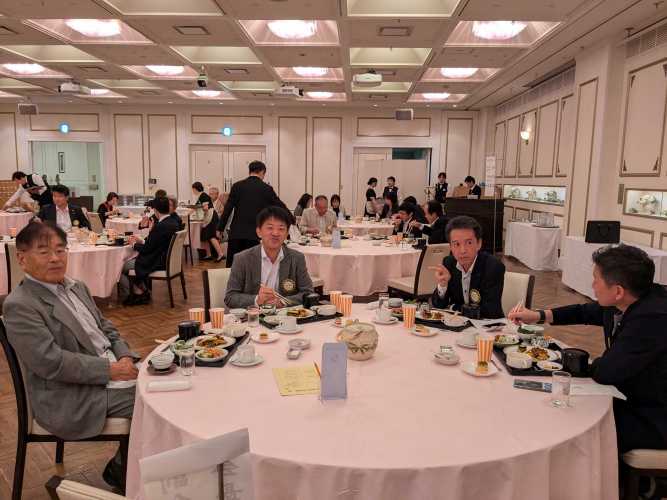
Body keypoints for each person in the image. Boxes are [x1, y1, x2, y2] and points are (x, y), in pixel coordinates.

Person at [3, 221, 139, 490]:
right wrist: (110, 370)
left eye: (60, 250)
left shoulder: (77, 287)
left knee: (172, 377)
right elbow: (50, 362)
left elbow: (107, 329)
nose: (55, 258)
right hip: (68, 393)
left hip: (109, 370)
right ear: (22, 259)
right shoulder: (20, 304)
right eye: (44, 251)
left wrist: (124, 356)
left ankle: (127, 468)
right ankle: (126, 474)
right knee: (150, 402)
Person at [508, 244, 667, 455]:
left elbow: (607, 371)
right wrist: (538, 316)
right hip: (632, 393)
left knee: (571, 425)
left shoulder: (651, 319)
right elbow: (584, 312)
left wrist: (584, 361)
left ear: (618, 291)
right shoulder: (631, 297)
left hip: (653, 415)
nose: (592, 285)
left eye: (596, 279)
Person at [225, 206, 314, 309]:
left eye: (281, 229)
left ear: (287, 234)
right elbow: (230, 297)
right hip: (253, 316)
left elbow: (308, 293)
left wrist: (282, 302)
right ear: (259, 232)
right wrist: (257, 299)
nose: (275, 233)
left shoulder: (296, 258)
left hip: (285, 316)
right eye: (270, 228)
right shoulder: (242, 259)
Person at [218, 160, 289, 268]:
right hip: (255, 234)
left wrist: (220, 228)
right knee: (253, 267)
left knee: (233, 266)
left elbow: (228, 208)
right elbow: (280, 206)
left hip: (237, 232)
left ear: (250, 171)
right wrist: (291, 219)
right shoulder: (266, 188)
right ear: (262, 172)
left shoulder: (237, 186)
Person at [430, 216, 505, 318]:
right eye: (456, 244)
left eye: (469, 243)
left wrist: (454, 307)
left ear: (479, 243)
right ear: (450, 247)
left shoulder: (493, 267)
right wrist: (443, 285)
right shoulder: (449, 263)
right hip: (459, 323)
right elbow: (438, 305)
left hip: (488, 325)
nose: (463, 250)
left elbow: (490, 310)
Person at [120, 197, 180, 306]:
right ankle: (143, 289)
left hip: (157, 262)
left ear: (156, 210)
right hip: (165, 259)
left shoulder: (161, 226)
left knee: (121, 266)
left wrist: (133, 244)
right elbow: (155, 244)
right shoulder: (172, 222)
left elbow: (147, 249)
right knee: (130, 262)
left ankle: (136, 293)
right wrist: (142, 240)